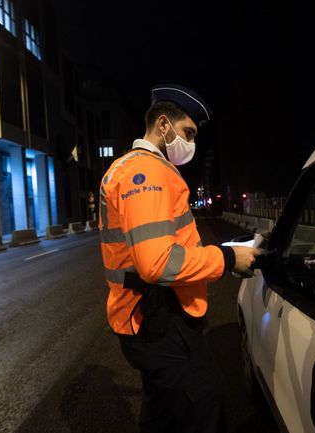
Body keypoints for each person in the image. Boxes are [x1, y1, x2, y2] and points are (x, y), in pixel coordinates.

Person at [99, 84, 260, 432]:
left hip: (148, 316)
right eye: (188, 132)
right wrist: (227, 258)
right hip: (159, 320)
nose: (191, 143)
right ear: (162, 125)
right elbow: (157, 263)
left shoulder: (127, 169)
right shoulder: (146, 173)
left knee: (163, 414)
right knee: (201, 410)